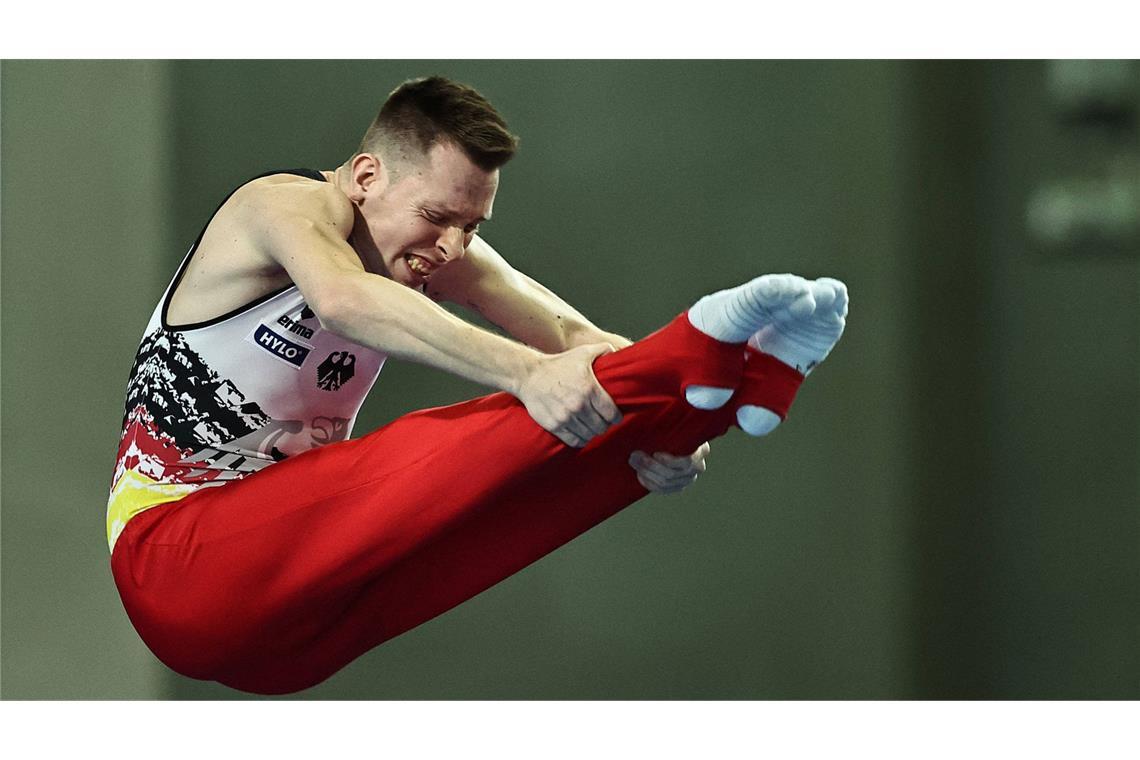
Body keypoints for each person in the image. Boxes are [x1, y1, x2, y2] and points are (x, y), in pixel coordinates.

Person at [108, 76, 848, 695]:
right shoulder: (281, 207)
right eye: (437, 217)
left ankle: (727, 385)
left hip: (299, 628)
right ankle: (701, 348)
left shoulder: (436, 248)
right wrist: (527, 374)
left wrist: (659, 429)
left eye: (472, 225)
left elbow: (570, 338)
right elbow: (344, 301)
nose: (451, 247)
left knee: (515, 504)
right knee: (457, 439)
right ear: (366, 177)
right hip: (179, 564)